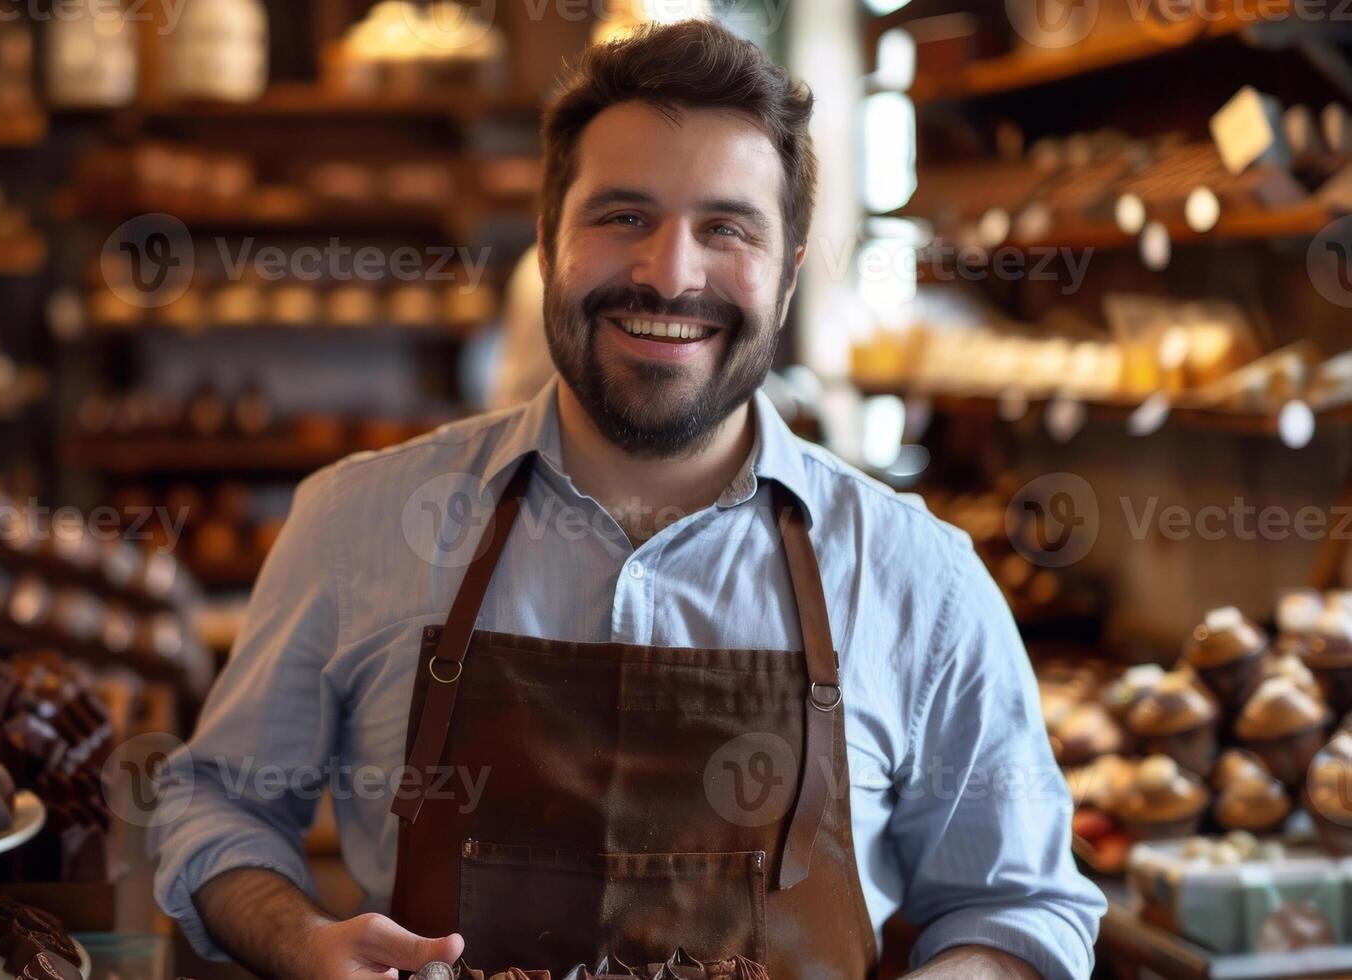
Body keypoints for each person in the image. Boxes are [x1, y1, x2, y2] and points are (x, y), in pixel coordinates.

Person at [151, 19, 1104, 980]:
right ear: (547, 242)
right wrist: (302, 942)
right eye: (622, 217)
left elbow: (1020, 903)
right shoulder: (357, 523)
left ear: (788, 276)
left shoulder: (919, 578)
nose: (670, 273)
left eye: (727, 228)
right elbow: (215, 801)